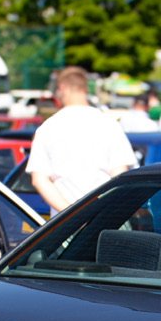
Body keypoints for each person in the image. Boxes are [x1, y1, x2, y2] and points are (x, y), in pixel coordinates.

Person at [25, 66, 136, 215]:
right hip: (106, 217)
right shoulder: (109, 124)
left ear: (62, 88)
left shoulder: (47, 128)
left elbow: (39, 179)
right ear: (85, 89)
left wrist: (71, 214)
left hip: (64, 224)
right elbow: (119, 175)